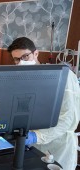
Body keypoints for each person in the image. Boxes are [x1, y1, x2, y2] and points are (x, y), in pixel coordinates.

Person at [7, 37, 80, 170]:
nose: (20, 62)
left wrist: (37, 136)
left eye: (25, 57)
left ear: (36, 53)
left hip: (59, 147)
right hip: (33, 147)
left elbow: (67, 119)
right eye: (17, 59)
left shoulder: (63, 76)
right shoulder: (23, 80)